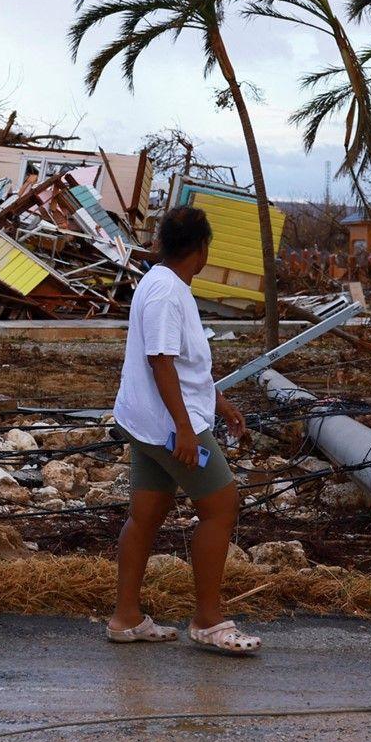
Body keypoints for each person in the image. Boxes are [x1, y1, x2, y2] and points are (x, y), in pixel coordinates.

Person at [106, 206, 262, 655]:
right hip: (169, 428)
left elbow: (184, 364)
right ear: (202, 250)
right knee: (221, 505)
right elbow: (161, 361)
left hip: (149, 422)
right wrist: (186, 429)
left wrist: (220, 401)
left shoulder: (160, 283)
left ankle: (127, 618)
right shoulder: (166, 293)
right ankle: (209, 620)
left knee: (147, 513)